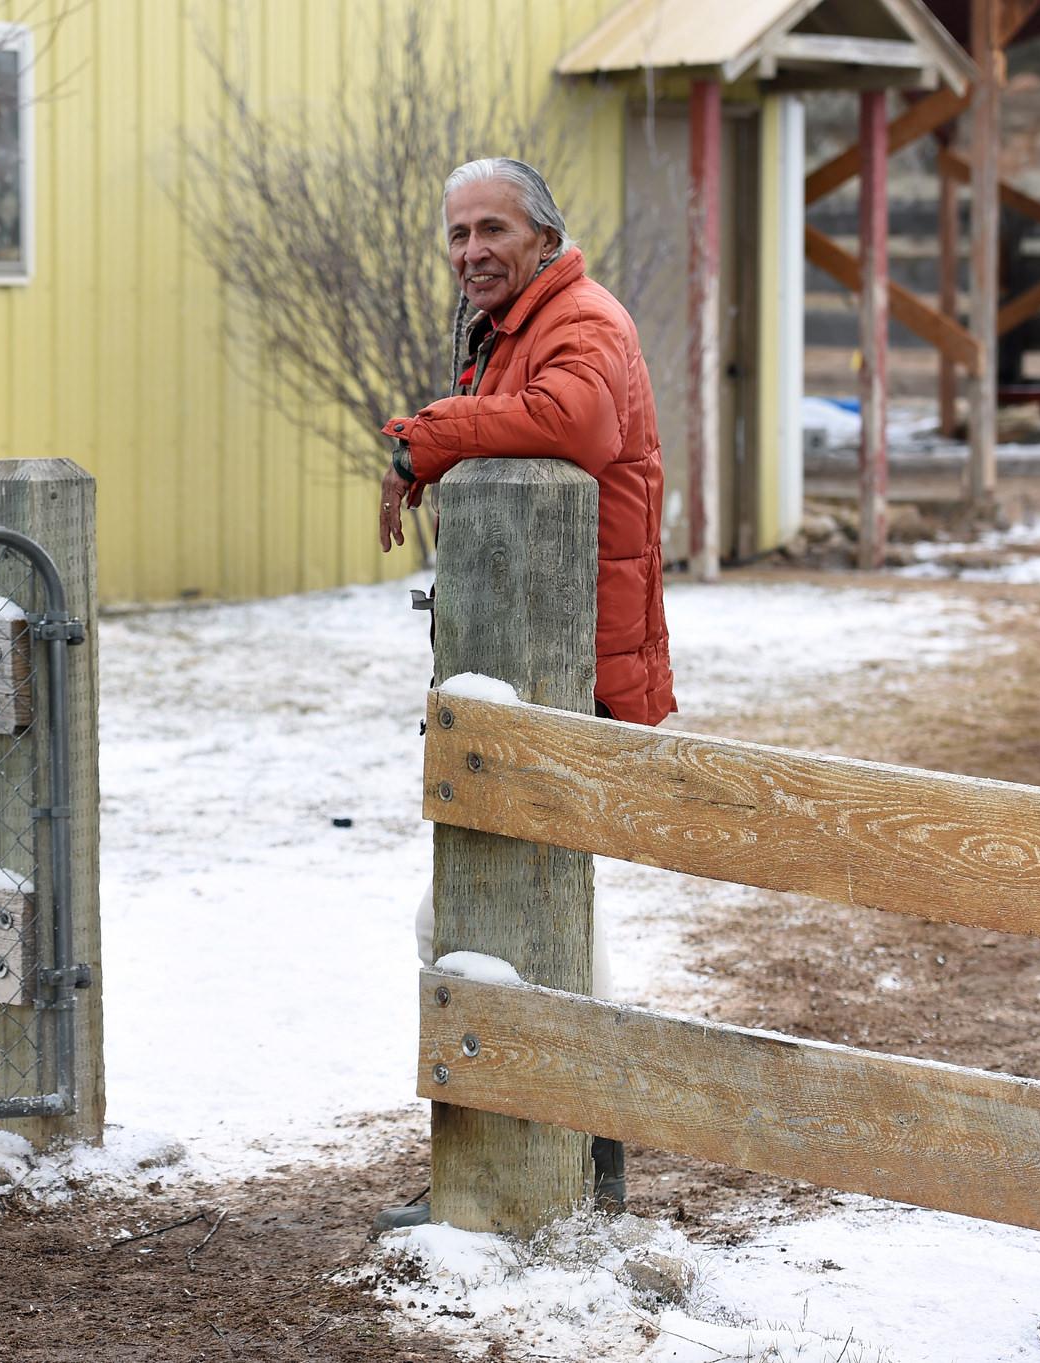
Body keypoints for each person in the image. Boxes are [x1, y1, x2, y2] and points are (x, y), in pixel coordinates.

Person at [380, 157, 676, 1213]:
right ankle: (560, 1169)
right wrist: (434, 449)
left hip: (570, 674)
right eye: (456, 235)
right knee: (514, 921)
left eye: (490, 229)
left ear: (543, 236)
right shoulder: (516, 329)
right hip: (535, 671)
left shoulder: (580, 320)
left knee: (508, 925)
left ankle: (569, 1170)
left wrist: (426, 436)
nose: (469, 253)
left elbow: (571, 425)